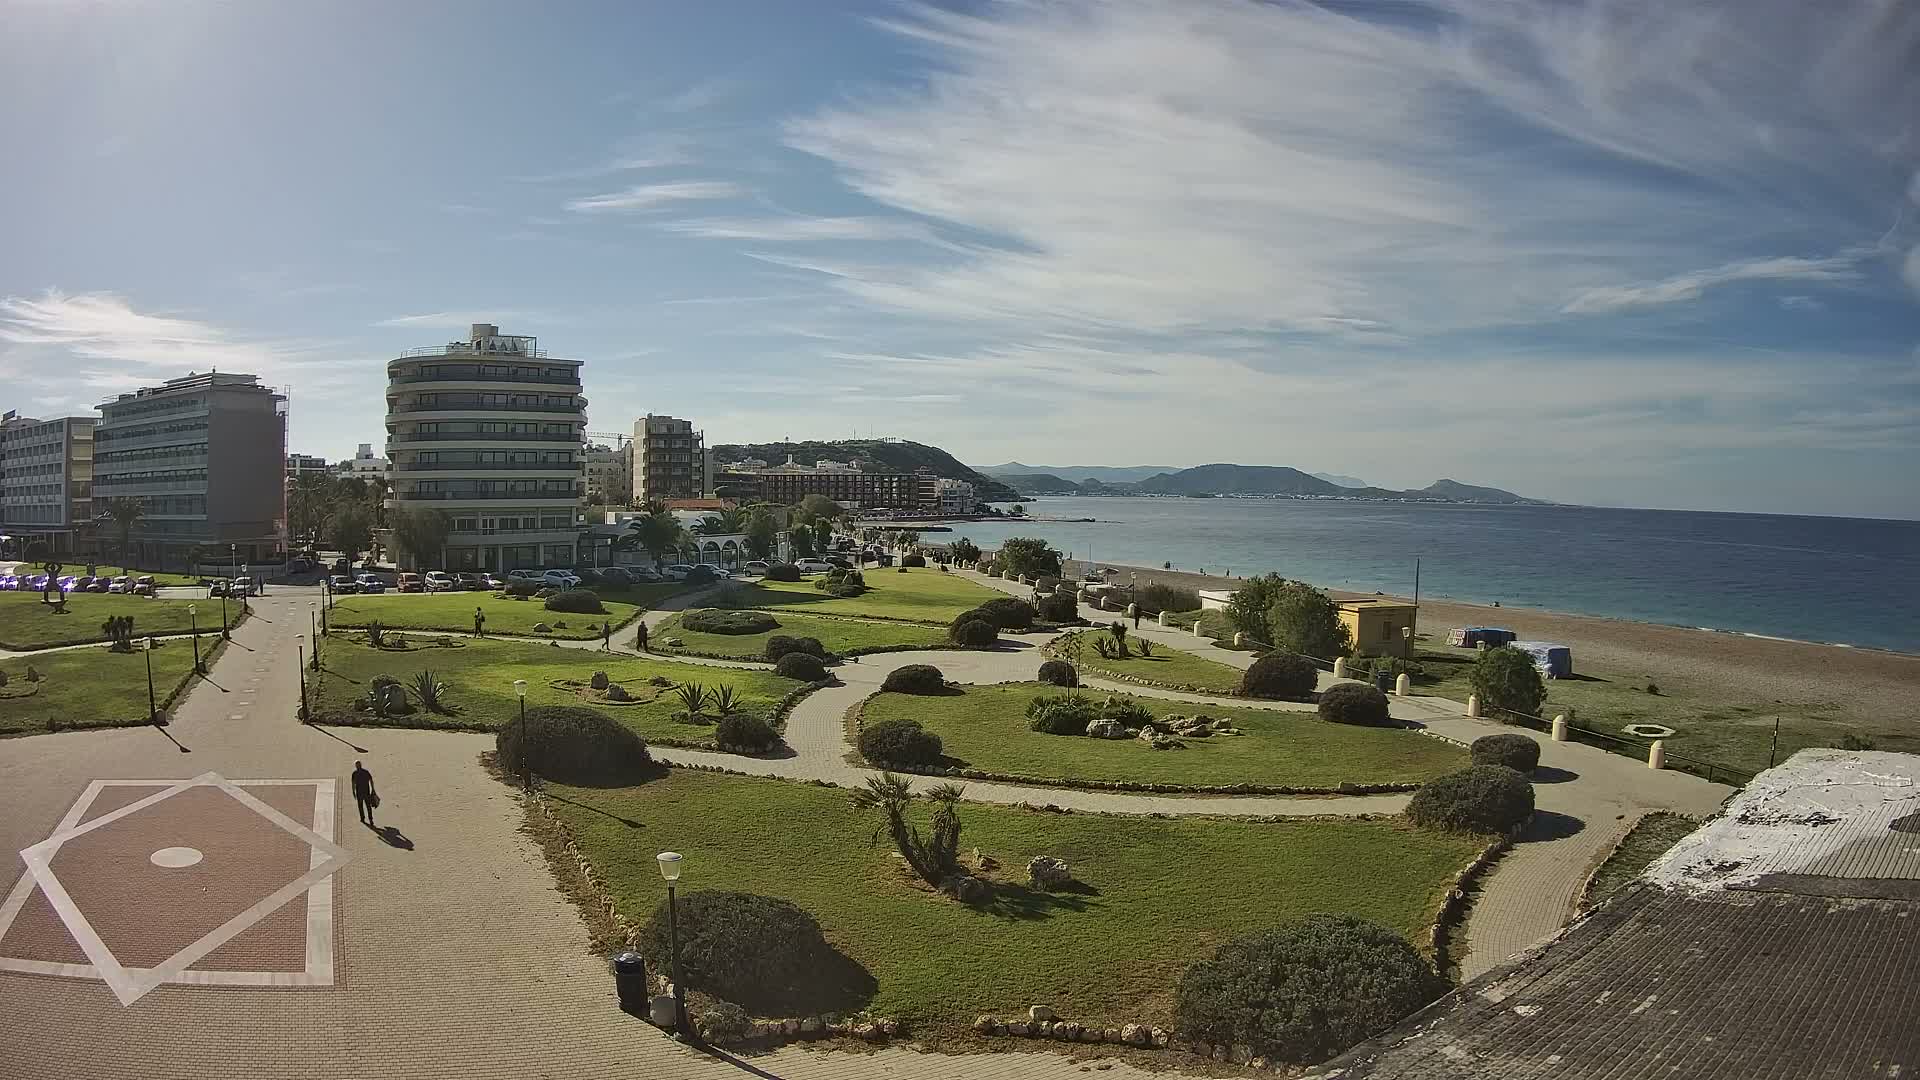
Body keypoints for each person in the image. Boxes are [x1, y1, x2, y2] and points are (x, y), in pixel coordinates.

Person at [351, 760, 379, 827]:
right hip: (366, 792)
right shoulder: (366, 772)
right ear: (361, 765)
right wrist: (373, 789)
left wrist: (353, 791)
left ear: (356, 766)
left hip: (359, 793)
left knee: (360, 806)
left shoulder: (354, 773)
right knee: (368, 806)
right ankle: (370, 819)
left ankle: (362, 818)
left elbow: (353, 783)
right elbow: (371, 780)